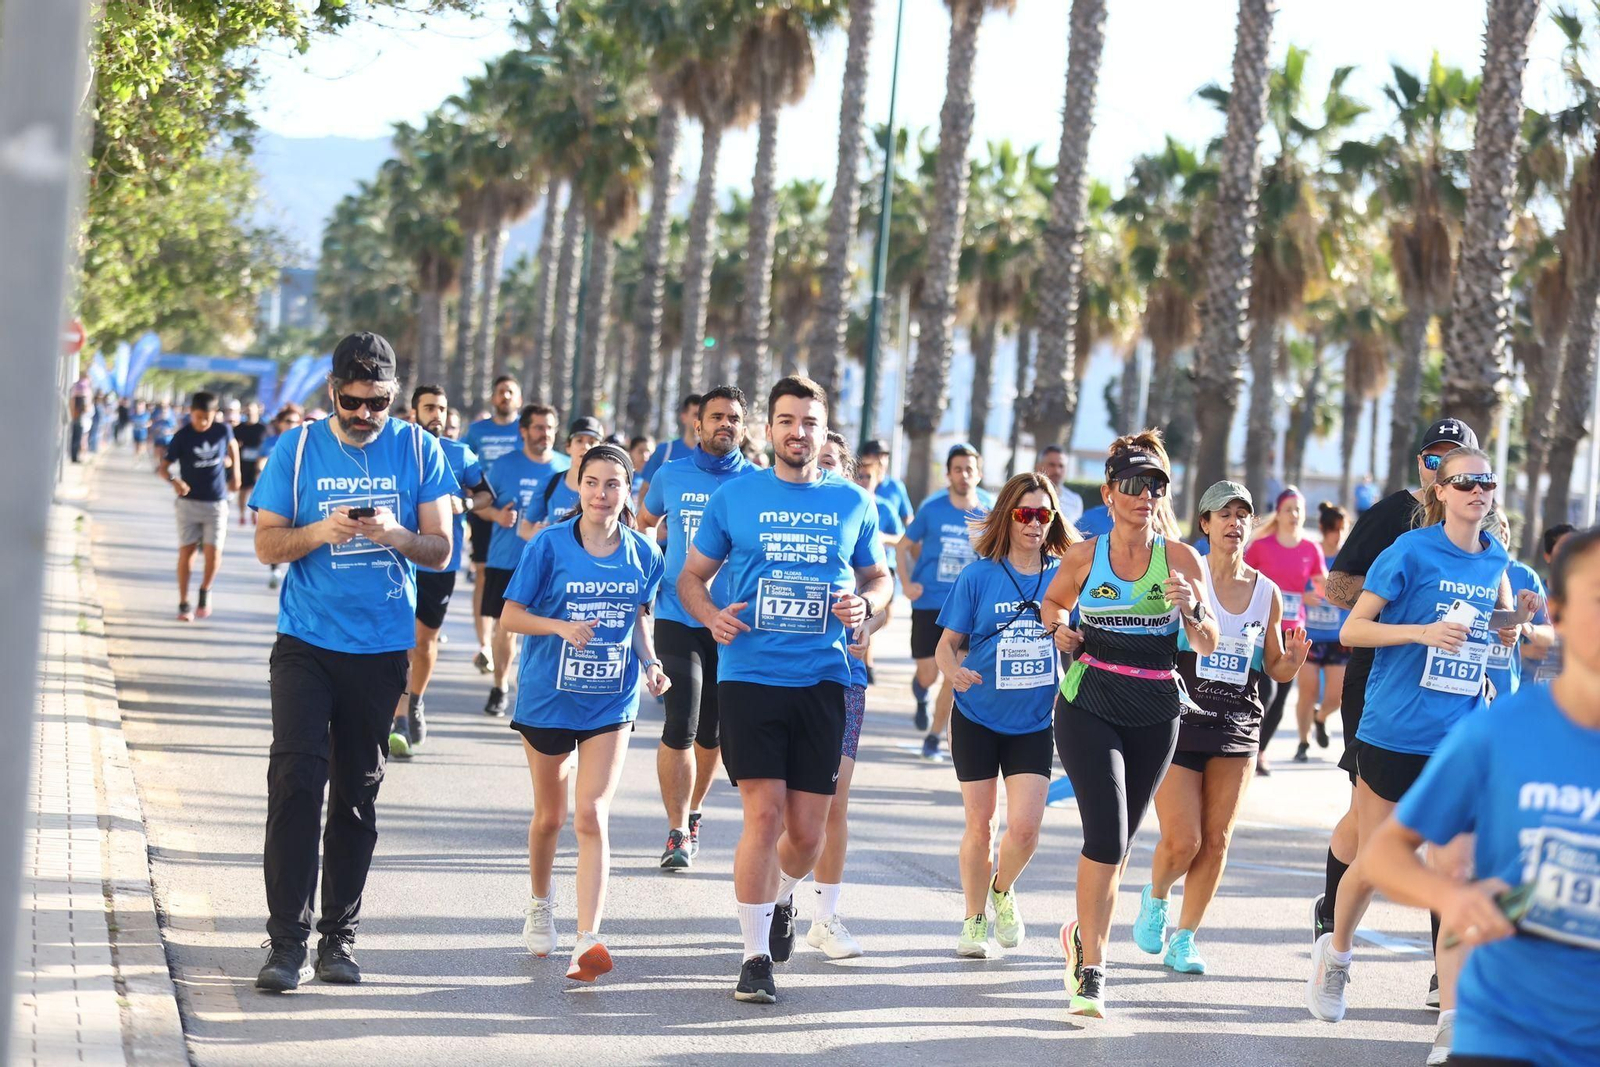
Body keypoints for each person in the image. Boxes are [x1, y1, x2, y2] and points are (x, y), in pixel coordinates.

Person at [1306, 447, 1533, 1067]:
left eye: (1486, 481)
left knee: (1455, 874)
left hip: (1458, 738)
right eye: (1465, 482)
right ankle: (1336, 954)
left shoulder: (1496, 559)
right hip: (1393, 730)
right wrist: (1421, 632)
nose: (1477, 490)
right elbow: (1352, 630)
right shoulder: (1408, 551)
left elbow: (1494, 635)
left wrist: (1512, 626)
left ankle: (1454, 1026)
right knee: (1376, 864)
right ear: (1441, 492)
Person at [248, 332, 454, 992]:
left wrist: (397, 535)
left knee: (356, 796)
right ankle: (285, 942)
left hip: (381, 648)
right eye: (353, 401)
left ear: (394, 396)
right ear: (332, 391)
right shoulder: (298, 448)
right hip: (306, 643)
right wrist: (320, 531)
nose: (365, 414)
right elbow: (266, 544)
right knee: (296, 783)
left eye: (379, 403)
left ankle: (338, 939)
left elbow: (443, 548)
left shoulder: (419, 449)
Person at [678, 375, 891, 1005]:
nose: (799, 432)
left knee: (806, 835)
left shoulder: (854, 502)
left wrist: (866, 605)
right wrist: (711, 616)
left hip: (823, 679)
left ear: (824, 432)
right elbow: (692, 577)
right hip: (750, 676)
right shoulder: (735, 497)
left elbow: (880, 579)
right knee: (763, 815)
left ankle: (781, 899)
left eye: (810, 423)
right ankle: (754, 958)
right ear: (768, 429)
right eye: (787, 421)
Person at [1363, 526, 1600, 1067]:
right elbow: (1384, 854)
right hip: (1504, 1032)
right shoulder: (1498, 732)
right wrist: (1453, 898)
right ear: (1560, 615)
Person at [1040, 429, 1220, 1018]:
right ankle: (1092, 968)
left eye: (1156, 487)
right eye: (1135, 486)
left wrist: (1191, 608)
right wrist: (1060, 629)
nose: (1147, 496)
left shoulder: (1182, 559)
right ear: (1110, 493)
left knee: (1119, 849)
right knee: (1106, 838)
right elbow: (1053, 603)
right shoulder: (1084, 556)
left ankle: (1080, 932)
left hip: (1155, 710)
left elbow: (1209, 641)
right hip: (1089, 701)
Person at [1312, 417, 1480, 964]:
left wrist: (1511, 626)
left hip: (1454, 691)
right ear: (1421, 465)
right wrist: (1407, 599)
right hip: (1380, 679)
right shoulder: (1393, 515)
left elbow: (1491, 604)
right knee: (1368, 823)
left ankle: (1442, 972)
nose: (1441, 471)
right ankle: (1333, 919)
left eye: (1453, 461)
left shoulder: (1486, 526)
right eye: (1432, 460)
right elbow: (1338, 587)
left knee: (1448, 836)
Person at [498, 444, 668, 981]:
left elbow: (638, 617)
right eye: (592, 482)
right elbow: (510, 617)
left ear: (628, 490)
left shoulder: (645, 553)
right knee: (550, 817)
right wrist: (560, 626)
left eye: (613, 484)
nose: (601, 494)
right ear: (578, 485)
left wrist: (651, 662)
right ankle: (539, 903)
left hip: (610, 698)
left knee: (591, 812)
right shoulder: (548, 544)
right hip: (548, 697)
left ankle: (587, 939)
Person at [1135, 481, 1310, 975]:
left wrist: (1293, 661)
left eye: (1243, 515)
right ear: (1205, 523)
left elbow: (1273, 666)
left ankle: (1185, 939)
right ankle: (1157, 895)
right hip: (1180, 720)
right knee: (1183, 841)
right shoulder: (1182, 581)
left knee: (1217, 841)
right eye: (1224, 514)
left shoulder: (1267, 593)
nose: (1235, 523)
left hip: (1237, 726)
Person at [936, 473, 1074, 959]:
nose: (1035, 523)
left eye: (1043, 514)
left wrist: (1069, 654)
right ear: (1007, 517)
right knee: (981, 825)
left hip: (1034, 720)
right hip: (976, 715)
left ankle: (1002, 888)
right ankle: (974, 919)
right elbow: (946, 645)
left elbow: (1078, 640)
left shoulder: (1064, 576)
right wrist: (954, 673)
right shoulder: (978, 576)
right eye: (1025, 513)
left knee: (1026, 829)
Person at [637, 386, 755, 870]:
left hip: (734, 622)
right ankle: (676, 831)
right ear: (698, 425)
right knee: (680, 722)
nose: (725, 424)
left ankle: (695, 812)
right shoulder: (671, 474)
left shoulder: (757, 482)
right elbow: (645, 521)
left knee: (713, 732)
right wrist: (646, 577)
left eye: (734, 418)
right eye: (717, 417)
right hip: (677, 612)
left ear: (743, 428)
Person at [388, 385, 490, 760]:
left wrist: (465, 504)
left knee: (424, 641)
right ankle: (399, 718)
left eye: (442, 409)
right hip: (397, 558)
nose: (437, 415)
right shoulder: (396, 449)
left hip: (439, 561)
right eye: (429, 407)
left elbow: (486, 495)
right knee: (400, 641)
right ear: (414, 412)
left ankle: (415, 700)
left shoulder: (460, 453)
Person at [807, 431, 879, 959]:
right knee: (787, 804)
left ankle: (825, 917)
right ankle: (778, 899)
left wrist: (866, 617)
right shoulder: (782, 521)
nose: (823, 469)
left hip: (845, 674)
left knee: (835, 797)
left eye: (831, 462)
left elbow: (881, 587)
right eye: (818, 461)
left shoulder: (856, 517)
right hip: (781, 674)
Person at [899, 444, 996, 758]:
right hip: (929, 602)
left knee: (954, 674)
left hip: (969, 608)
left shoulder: (990, 513)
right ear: (949, 474)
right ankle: (920, 691)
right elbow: (902, 546)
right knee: (929, 674)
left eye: (970, 469)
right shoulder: (932, 508)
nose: (964, 475)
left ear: (978, 474)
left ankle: (933, 736)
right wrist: (907, 583)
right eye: (958, 469)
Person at [479, 404, 568, 717]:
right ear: (524, 431)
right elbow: (479, 504)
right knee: (505, 628)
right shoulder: (504, 465)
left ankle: (540, 690)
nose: (545, 434)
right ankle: (500, 686)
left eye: (550, 428)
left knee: (550, 629)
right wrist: (497, 515)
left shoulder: (566, 467)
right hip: (507, 558)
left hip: (553, 566)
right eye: (539, 427)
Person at [1243, 487, 1327, 772]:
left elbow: (1323, 585)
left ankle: (1260, 751)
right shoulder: (1261, 546)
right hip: (1262, 629)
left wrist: (1315, 594)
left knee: (1280, 697)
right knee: (1265, 692)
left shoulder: (1311, 549)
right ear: (1278, 514)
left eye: (1298, 510)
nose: (1294, 515)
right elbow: (1242, 579)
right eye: (1288, 509)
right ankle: (1249, 746)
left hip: (1293, 634)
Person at [159, 391, 240, 621]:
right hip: (188, 504)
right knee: (187, 552)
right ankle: (184, 602)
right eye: (198, 417)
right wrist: (175, 481)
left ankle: (205, 589)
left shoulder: (222, 430)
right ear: (191, 413)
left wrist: (236, 472)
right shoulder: (182, 436)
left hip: (216, 503)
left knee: (214, 554)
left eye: (207, 418)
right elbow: (163, 468)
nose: (203, 422)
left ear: (215, 414)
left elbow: (233, 446)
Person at [464, 377, 526, 674]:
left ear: (519, 399)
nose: (505, 396)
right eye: (501, 392)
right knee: (482, 574)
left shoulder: (524, 430)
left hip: (516, 513)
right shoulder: (478, 431)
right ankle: (484, 645)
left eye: (510, 392)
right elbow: (465, 467)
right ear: (493, 397)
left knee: (513, 578)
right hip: (485, 511)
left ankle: (504, 635)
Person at [1484, 512, 1553, 705]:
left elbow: (1550, 636)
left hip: (1505, 697)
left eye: (1506, 525)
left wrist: (1523, 624)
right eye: (1497, 524)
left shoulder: (1525, 575)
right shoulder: (1463, 569)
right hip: (1463, 692)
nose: (1503, 531)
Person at [851, 451, 905, 685]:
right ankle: (867, 662)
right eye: (859, 476)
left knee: (882, 615)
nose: (863, 480)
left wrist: (883, 537)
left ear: (877, 480)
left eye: (868, 477)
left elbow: (902, 538)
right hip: (854, 570)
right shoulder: (848, 503)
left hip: (882, 571)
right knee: (863, 615)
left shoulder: (885, 507)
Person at [1303, 502, 1351, 749]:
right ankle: (1303, 742)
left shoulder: (1350, 556)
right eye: (1334, 529)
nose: (1338, 535)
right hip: (1309, 634)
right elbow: (1291, 584)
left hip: (1338, 636)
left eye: (1343, 529)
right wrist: (1303, 597)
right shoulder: (1311, 554)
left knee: (1336, 697)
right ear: (1323, 528)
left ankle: (1320, 717)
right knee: (1307, 691)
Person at [521, 417, 603, 538]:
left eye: (592, 442)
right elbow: (525, 529)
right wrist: (538, 536)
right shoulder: (549, 484)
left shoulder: (610, 488)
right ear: (568, 447)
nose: (585, 446)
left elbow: (628, 529)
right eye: (579, 441)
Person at [1524, 524, 1577, 686]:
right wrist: (1522, 651)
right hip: (1531, 687)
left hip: (1571, 690)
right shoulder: (1531, 593)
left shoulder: (1589, 599)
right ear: (1547, 556)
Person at [637, 394, 700, 504]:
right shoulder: (665, 451)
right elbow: (645, 491)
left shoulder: (713, 455)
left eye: (702, 415)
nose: (699, 419)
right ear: (684, 417)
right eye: (695, 414)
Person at [858, 439, 915, 528]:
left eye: (884, 456)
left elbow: (908, 518)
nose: (881, 461)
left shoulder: (896, 486)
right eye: (876, 455)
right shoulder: (855, 486)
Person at [234, 401, 269, 527]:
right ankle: (242, 514)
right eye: (247, 410)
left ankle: (254, 514)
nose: (249, 413)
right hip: (243, 462)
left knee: (256, 489)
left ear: (257, 411)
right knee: (243, 489)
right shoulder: (239, 428)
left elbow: (268, 444)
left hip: (258, 462)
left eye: (251, 410)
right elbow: (233, 444)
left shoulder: (263, 428)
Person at [1035, 444, 1085, 529]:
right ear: (1038, 467)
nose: (1057, 471)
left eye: (1061, 466)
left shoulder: (1075, 500)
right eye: (1052, 465)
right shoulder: (1029, 496)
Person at [628, 434, 654, 507]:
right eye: (640, 451)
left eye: (649, 452)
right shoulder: (626, 477)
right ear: (631, 452)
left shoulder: (656, 478)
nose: (645, 456)